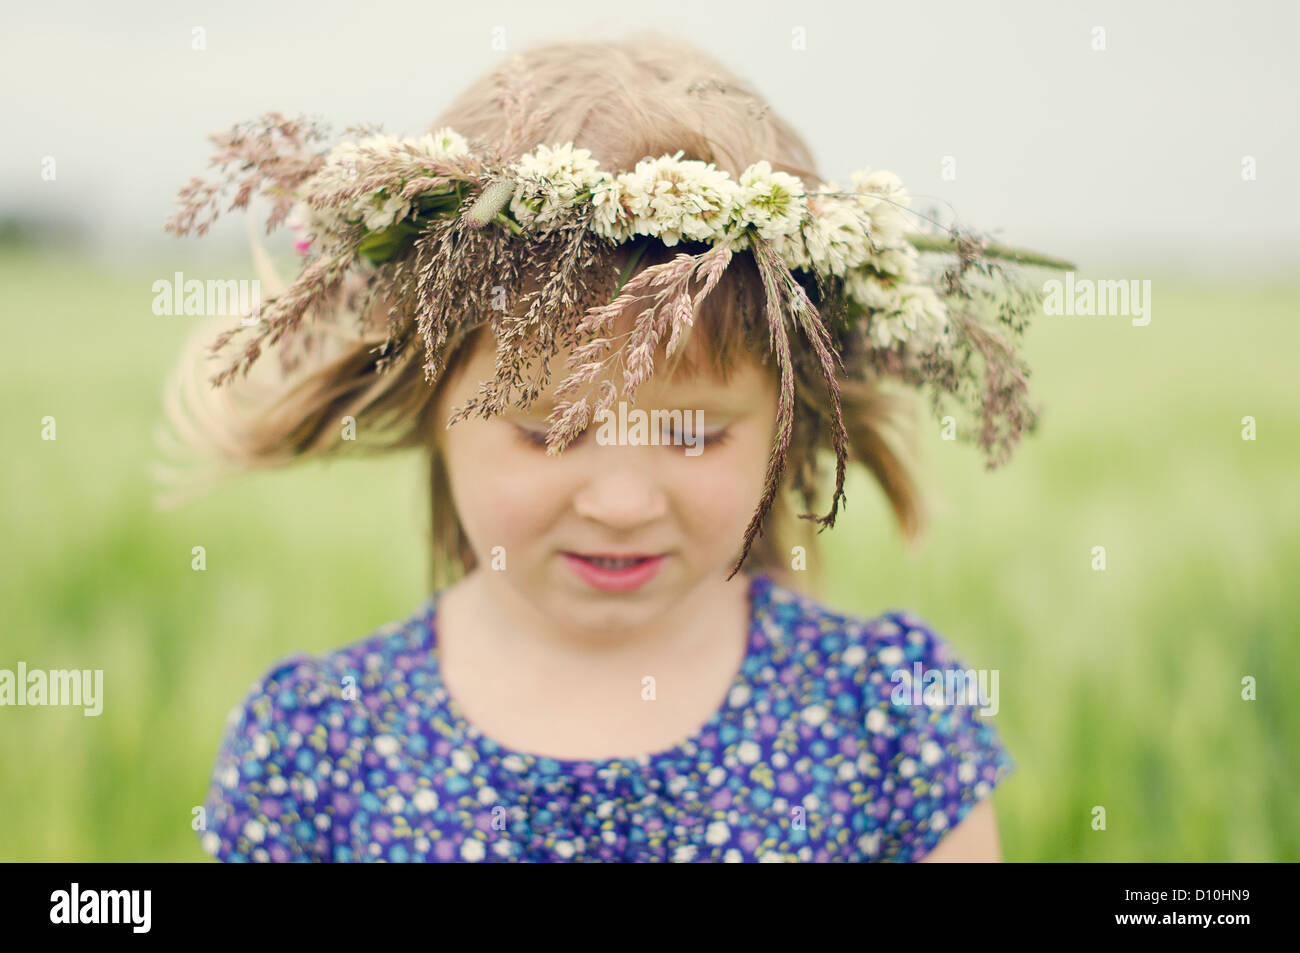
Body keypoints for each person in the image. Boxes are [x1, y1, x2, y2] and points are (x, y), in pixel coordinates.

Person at [163, 31, 1056, 862]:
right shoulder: (315, 748)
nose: (622, 503)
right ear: (428, 399)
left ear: (791, 424)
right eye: (550, 431)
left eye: (695, 434)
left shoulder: (892, 721)